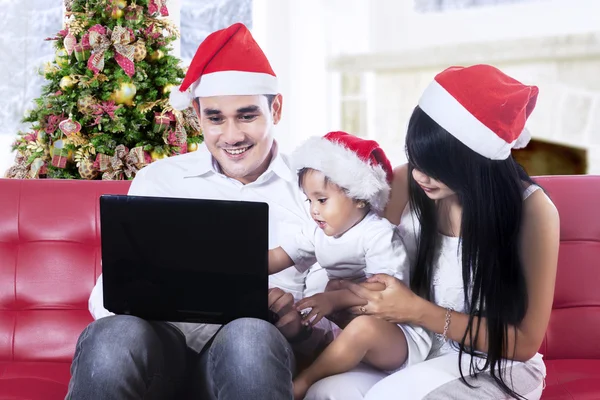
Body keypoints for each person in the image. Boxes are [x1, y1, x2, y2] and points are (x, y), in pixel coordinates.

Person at [66, 22, 334, 400]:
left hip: (250, 356)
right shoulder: (158, 180)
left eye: (246, 115)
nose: (232, 136)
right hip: (159, 356)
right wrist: (141, 297)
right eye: (215, 118)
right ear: (197, 115)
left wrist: (301, 327)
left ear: (275, 109)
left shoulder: (313, 193)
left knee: (250, 335)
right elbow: (105, 297)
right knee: (114, 334)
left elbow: (332, 319)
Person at [334, 64, 559, 399]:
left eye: (437, 167)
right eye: (417, 158)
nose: (421, 176)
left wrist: (418, 311)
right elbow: (359, 257)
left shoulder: (533, 211)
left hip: (496, 364)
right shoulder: (409, 184)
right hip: (415, 349)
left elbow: (524, 342)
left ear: (478, 161)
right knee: (328, 391)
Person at [267, 131, 432, 399]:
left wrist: (333, 300)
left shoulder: (377, 234)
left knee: (360, 327)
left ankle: (302, 383)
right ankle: (315, 357)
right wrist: (240, 265)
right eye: (309, 201)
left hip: (396, 335)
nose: (313, 210)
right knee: (299, 319)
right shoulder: (318, 231)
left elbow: (385, 290)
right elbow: (279, 256)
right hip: (348, 325)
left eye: (322, 200)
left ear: (359, 197)